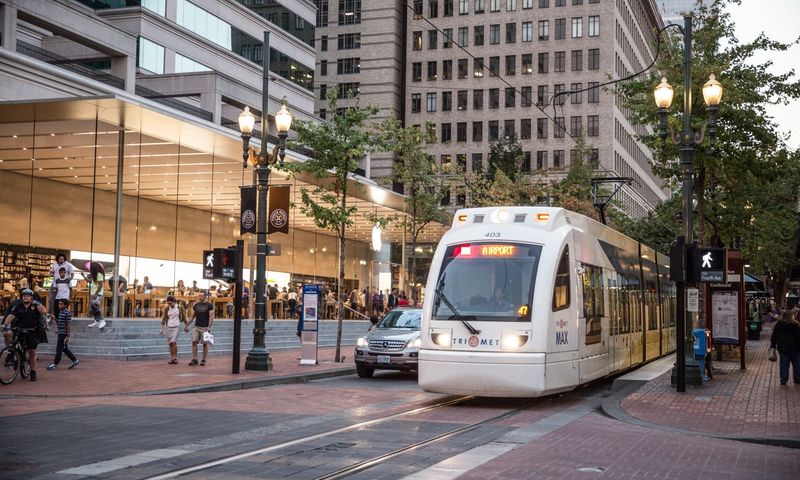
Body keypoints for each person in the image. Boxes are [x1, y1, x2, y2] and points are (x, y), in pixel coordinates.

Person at [2, 289, 48, 381]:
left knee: (32, 352)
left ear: (31, 297)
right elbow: (11, 315)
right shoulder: (18, 306)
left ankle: (33, 371)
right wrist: (5, 324)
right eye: (24, 296)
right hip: (19, 329)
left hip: (32, 331)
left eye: (27, 295)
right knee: (7, 334)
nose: (25, 297)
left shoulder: (35, 305)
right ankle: (11, 351)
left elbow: (44, 311)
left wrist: (38, 303)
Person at [47, 298, 79, 370]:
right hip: (61, 332)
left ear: (66, 305)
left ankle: (55, 364)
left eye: (61, 304)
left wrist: (67, 336)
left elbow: (68, 324)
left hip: (63, 334)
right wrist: (54, 319)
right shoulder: (61, 312)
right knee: (64, 349)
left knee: (59, 349)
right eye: (59, 304)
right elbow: (61, 323)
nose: (59, 305)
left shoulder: (67, 312)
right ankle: (75, 360)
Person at [770, 310, 800, 386]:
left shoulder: (779, 324)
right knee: (797, 364)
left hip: (783, 348)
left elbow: (774, 336)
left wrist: (773, 345)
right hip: (795, 349)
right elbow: (798, 337)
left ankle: (783, 380)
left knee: (784, 364)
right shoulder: (796, 325)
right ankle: (797, 379)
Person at [185, 291, 213, 366]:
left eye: (201, 296)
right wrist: (187, 325)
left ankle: (204, 359)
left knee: (204, 344)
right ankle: (194, 359)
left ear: (205, 296)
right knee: (194, 341)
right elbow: (192, 316)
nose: (200, 297)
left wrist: (209, 327)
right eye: (199, 296)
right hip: (196, 326)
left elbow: (211, 316)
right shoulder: (196, 305)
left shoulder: (209, 305)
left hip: (205, 327)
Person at [159, 295, 187, 364]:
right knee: (170, 343)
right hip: (169, 327)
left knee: (174, 342)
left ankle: (175, 357)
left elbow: (184, 316)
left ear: (174, 302)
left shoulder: (180, 307)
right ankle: (172, 358)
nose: (169, 305)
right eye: (168, 303)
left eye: (171, 303)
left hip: (176, 327)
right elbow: (164, 318)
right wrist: (162, 328)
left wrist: (186, 325)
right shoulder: (166, 308)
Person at [83, 261, 106, 329]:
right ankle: (97, 321)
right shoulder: (94, 275)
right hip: (93, 293)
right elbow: (90, 281)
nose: (90, 269)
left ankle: (102, 320)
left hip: (98, 293)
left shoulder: (99, 274)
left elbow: (100, 285)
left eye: (91, 268)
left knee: (95, 304)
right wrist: (83, 276)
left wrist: (96, 293)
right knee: (93, 307)